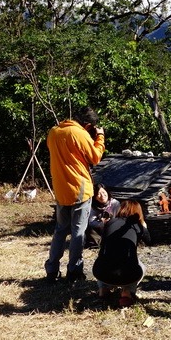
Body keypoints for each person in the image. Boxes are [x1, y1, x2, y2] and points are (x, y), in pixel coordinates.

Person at [44, 106, 105, 283]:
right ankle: (74, 271)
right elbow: (95, 157)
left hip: (61, 189)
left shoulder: (54, 132)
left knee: (60, 230)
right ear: (87, 125)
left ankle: (52, 270)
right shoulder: (79, 133)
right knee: (79, 231)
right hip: (79, 188)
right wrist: (99, 137)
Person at [92, 199, 150, 308]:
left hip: (101, 272)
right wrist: (144, 228)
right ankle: (127, 292)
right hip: (127, 275)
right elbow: (149, 241)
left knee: (103, 258)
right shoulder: (137, 226)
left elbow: (102, 245)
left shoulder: (110, 222)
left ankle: (103, 288)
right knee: (142, 266)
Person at [85, 183, 120, 250]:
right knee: (89, 229)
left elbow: (118, 218)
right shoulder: (92, 206)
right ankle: (97, 243)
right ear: (94, 196)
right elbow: (91, 222)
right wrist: (102, 223)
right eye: (98, 194)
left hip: (113, 227)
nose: (102, 196)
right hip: (99, 228)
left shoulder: (115, 203)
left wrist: (109, 222)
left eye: (104, 192)